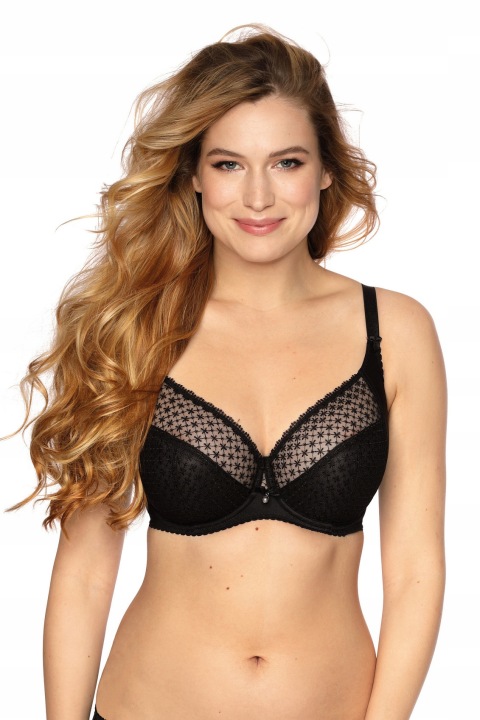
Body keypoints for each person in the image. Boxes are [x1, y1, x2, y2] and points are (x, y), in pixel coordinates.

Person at [9, 25, 446, 720]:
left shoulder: (395, 331)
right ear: (193, 175)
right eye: (229, 164)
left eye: (287, 162)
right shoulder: (135, 329)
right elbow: (87, 573)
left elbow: (416, 571)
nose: (259, 197)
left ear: (326, 169)